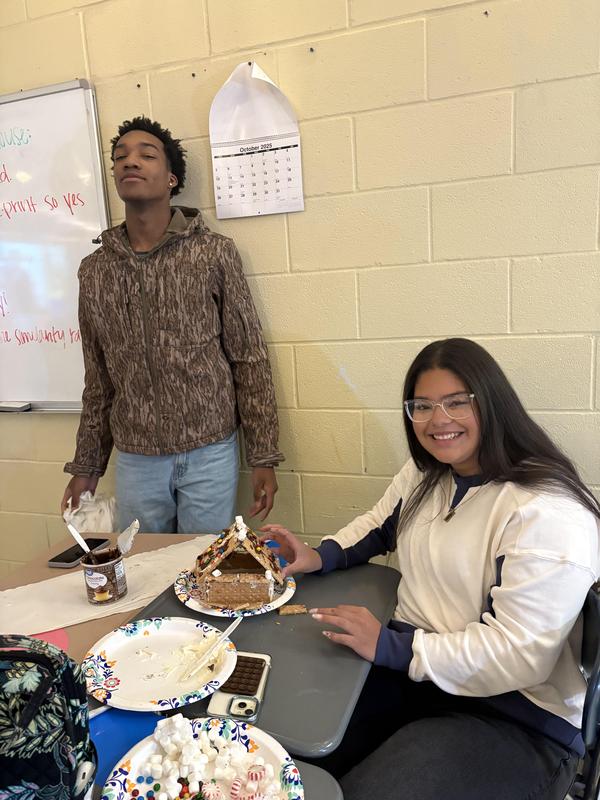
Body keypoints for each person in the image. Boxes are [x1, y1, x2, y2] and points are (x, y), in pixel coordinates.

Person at [262, 337, 600, 800]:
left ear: (493, 402)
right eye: (422, 405)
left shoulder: (547, 512)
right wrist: (320, 555)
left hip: (512, 715)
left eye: (457, 402)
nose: (438, 420)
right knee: (282, 761)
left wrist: (391, 648)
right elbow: (380, 524)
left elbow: (519, 656)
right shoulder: (429, 472)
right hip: (415, 675)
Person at [61, 116, 283, 533]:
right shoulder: (95, 272)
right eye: (120, 157)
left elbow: (248, 356)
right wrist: (87, 465)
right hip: (136, 457)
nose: (131, 162)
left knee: (202, 565)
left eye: (146, 155)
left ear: (171, 179)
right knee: (143, 570)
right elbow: (99, 378)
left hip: (210, 450)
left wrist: (263, 455)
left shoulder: (213, 253)